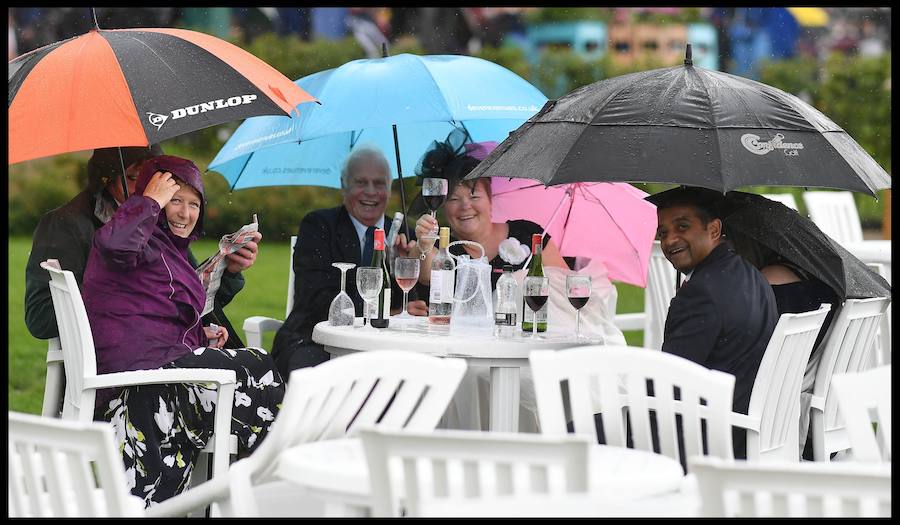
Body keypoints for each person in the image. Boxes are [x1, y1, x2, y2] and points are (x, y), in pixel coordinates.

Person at [81, 155, 284, 507]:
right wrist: (148, 201)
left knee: (254, 368)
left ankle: (251, 483)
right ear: (151, 198)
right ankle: (263, 487)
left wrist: (198, 337)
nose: (184, 214)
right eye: (174, 200)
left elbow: (153, 317)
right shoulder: (126, 240)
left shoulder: (167, 251)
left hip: (156, 372)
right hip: (139, 382)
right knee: (259, 367)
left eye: (194, 204)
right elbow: (116, 245)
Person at [25, 145, 258, 349]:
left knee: (248, 372)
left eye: (157, 181)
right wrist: (123, 289)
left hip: (171, 352)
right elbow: (40, 317)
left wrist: (228, 272)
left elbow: (187, 299)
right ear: (107, 177)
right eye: (136, 178)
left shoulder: (161, 221)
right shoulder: (66, 224)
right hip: (108, 364)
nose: (148, 190)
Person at [271, 146, 426, 380]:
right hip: (315, 341)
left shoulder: (406, 234)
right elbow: (315, 298)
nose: (371, 192)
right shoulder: (319, 226)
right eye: (361, 182)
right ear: (344, 185)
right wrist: (386, 314)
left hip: (385, 350)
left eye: (380, 183)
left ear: (390, 188)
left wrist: (403, 263)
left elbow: (417, 308)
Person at [650, 186, 779, 461]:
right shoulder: (752, 274)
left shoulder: (700, 293)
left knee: (577, 432)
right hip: (745, 428)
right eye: (662, 233)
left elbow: (668, 383)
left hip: (705, 438)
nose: (670, 240)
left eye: (682, 227)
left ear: (714, 229)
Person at [411, 136, 568, 288]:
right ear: (443, 206)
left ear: (490, 199)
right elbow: (426, 276)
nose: (465, 206)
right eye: (453, 199)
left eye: (474, 196)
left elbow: (565, 285)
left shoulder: (528, 234)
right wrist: (424, 245)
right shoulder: (441, 248)